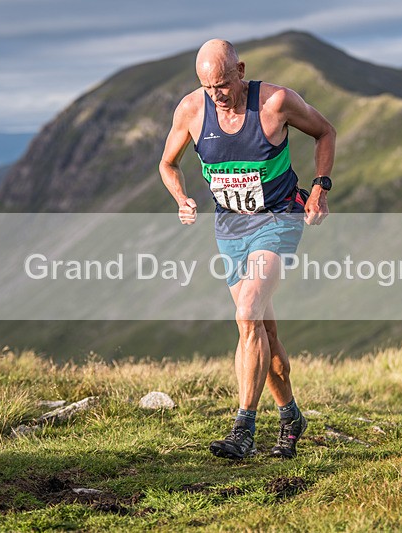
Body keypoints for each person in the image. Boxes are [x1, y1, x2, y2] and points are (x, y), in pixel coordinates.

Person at [158, 38, 336, 459]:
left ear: (240, 71)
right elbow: (168, 163)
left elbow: (325, 131)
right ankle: (290, 416)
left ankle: (243, 429)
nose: (216, 95)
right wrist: (181, 199)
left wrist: (319, 189)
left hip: (279, 219)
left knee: (246, 312)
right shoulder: (191, 110)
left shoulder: (275, 102)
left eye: (222, 84)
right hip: (230, 228)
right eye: (207, 86)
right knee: (261, 333)